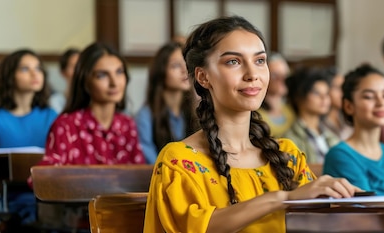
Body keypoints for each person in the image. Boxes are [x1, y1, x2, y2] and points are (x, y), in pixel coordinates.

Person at [144, 16, 359, 233]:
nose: (252, 74)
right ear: (203, 76)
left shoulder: (287, 156)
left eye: (259, 61)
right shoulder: (179, 161)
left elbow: (320, 223)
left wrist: (349, 200)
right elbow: (197, 227)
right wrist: (283, 198)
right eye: (233, 62)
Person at [37, 42, 145, 166]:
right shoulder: (65, 126)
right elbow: (47, 179)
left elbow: (139, 175)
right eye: (102, 75)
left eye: (119, 72)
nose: (114, 83)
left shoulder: (128, 125)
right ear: (85, 81)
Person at [323, 64, 384, 195]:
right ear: (348, 106)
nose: (381, 103)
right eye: (369, 96)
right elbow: (365, 208)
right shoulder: (340, 156)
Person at [135, 42, 198, 164]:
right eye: (175, 66)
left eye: (186, 64)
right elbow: (150, 160)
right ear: (161, 72)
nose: (184, 70)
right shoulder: (145, 115)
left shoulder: (194, 110)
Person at [0, 49, 57, 148]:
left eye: (38, 68)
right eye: (25, 69)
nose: (34, 74)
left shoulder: (51, 115)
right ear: (9, 75)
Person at [284, 67, 340, 164]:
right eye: (316, 93)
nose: (324, 98)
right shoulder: (290, 139)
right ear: (299, 96)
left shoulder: (330, 135)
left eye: (326, 93)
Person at [257, 52, 295, 137]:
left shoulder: (291, 109)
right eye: (275, 75)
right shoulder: (256, 115)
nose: (283, 79)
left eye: (286, 74)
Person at [323, 66, 353, 140]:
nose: (343, 92)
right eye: (337, 87)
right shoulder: (319, 123)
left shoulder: (347, 119)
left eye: (344, 88)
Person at [49, 48, 80, 113]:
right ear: (63, 72)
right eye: (74, 66)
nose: (78, 71)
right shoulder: (54, 102)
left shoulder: (92, 101)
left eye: (81, 66)